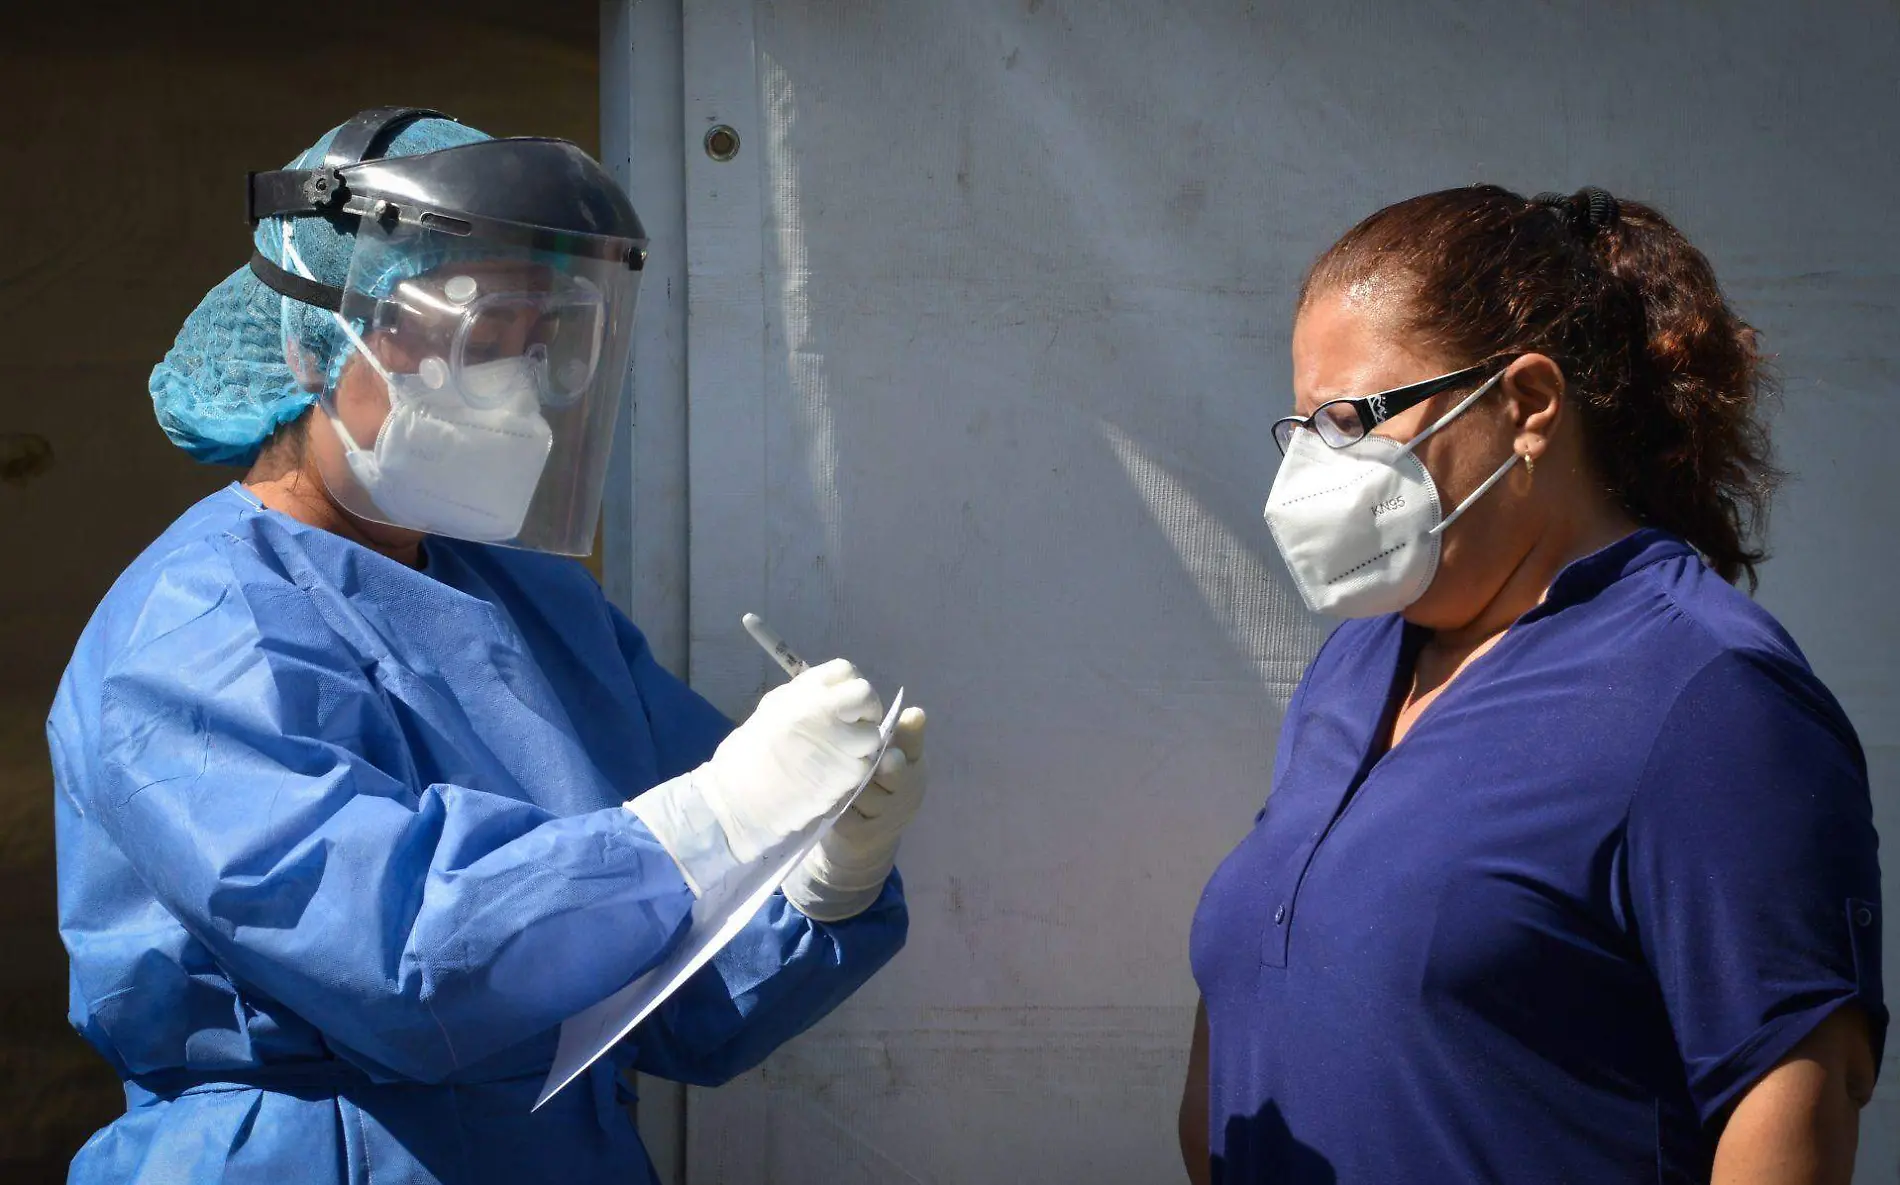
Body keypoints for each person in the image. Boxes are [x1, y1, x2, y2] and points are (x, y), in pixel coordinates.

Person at [51, 107, 929, 1185]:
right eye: (473, 343)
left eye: (539, 349)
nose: (516, 395)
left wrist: (815, 878)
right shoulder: (193, 635)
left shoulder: (538, 609)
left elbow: (678, 1005)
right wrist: (717, 815)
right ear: (308, 341)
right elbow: (404, 968)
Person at [1182, 186, 1883, 1184]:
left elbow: (1789, 1109)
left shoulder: (1709, 694)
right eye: (1301, 428)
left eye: (1351, 418)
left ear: (1527, 407)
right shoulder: (1356, 664)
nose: (1313, 469)